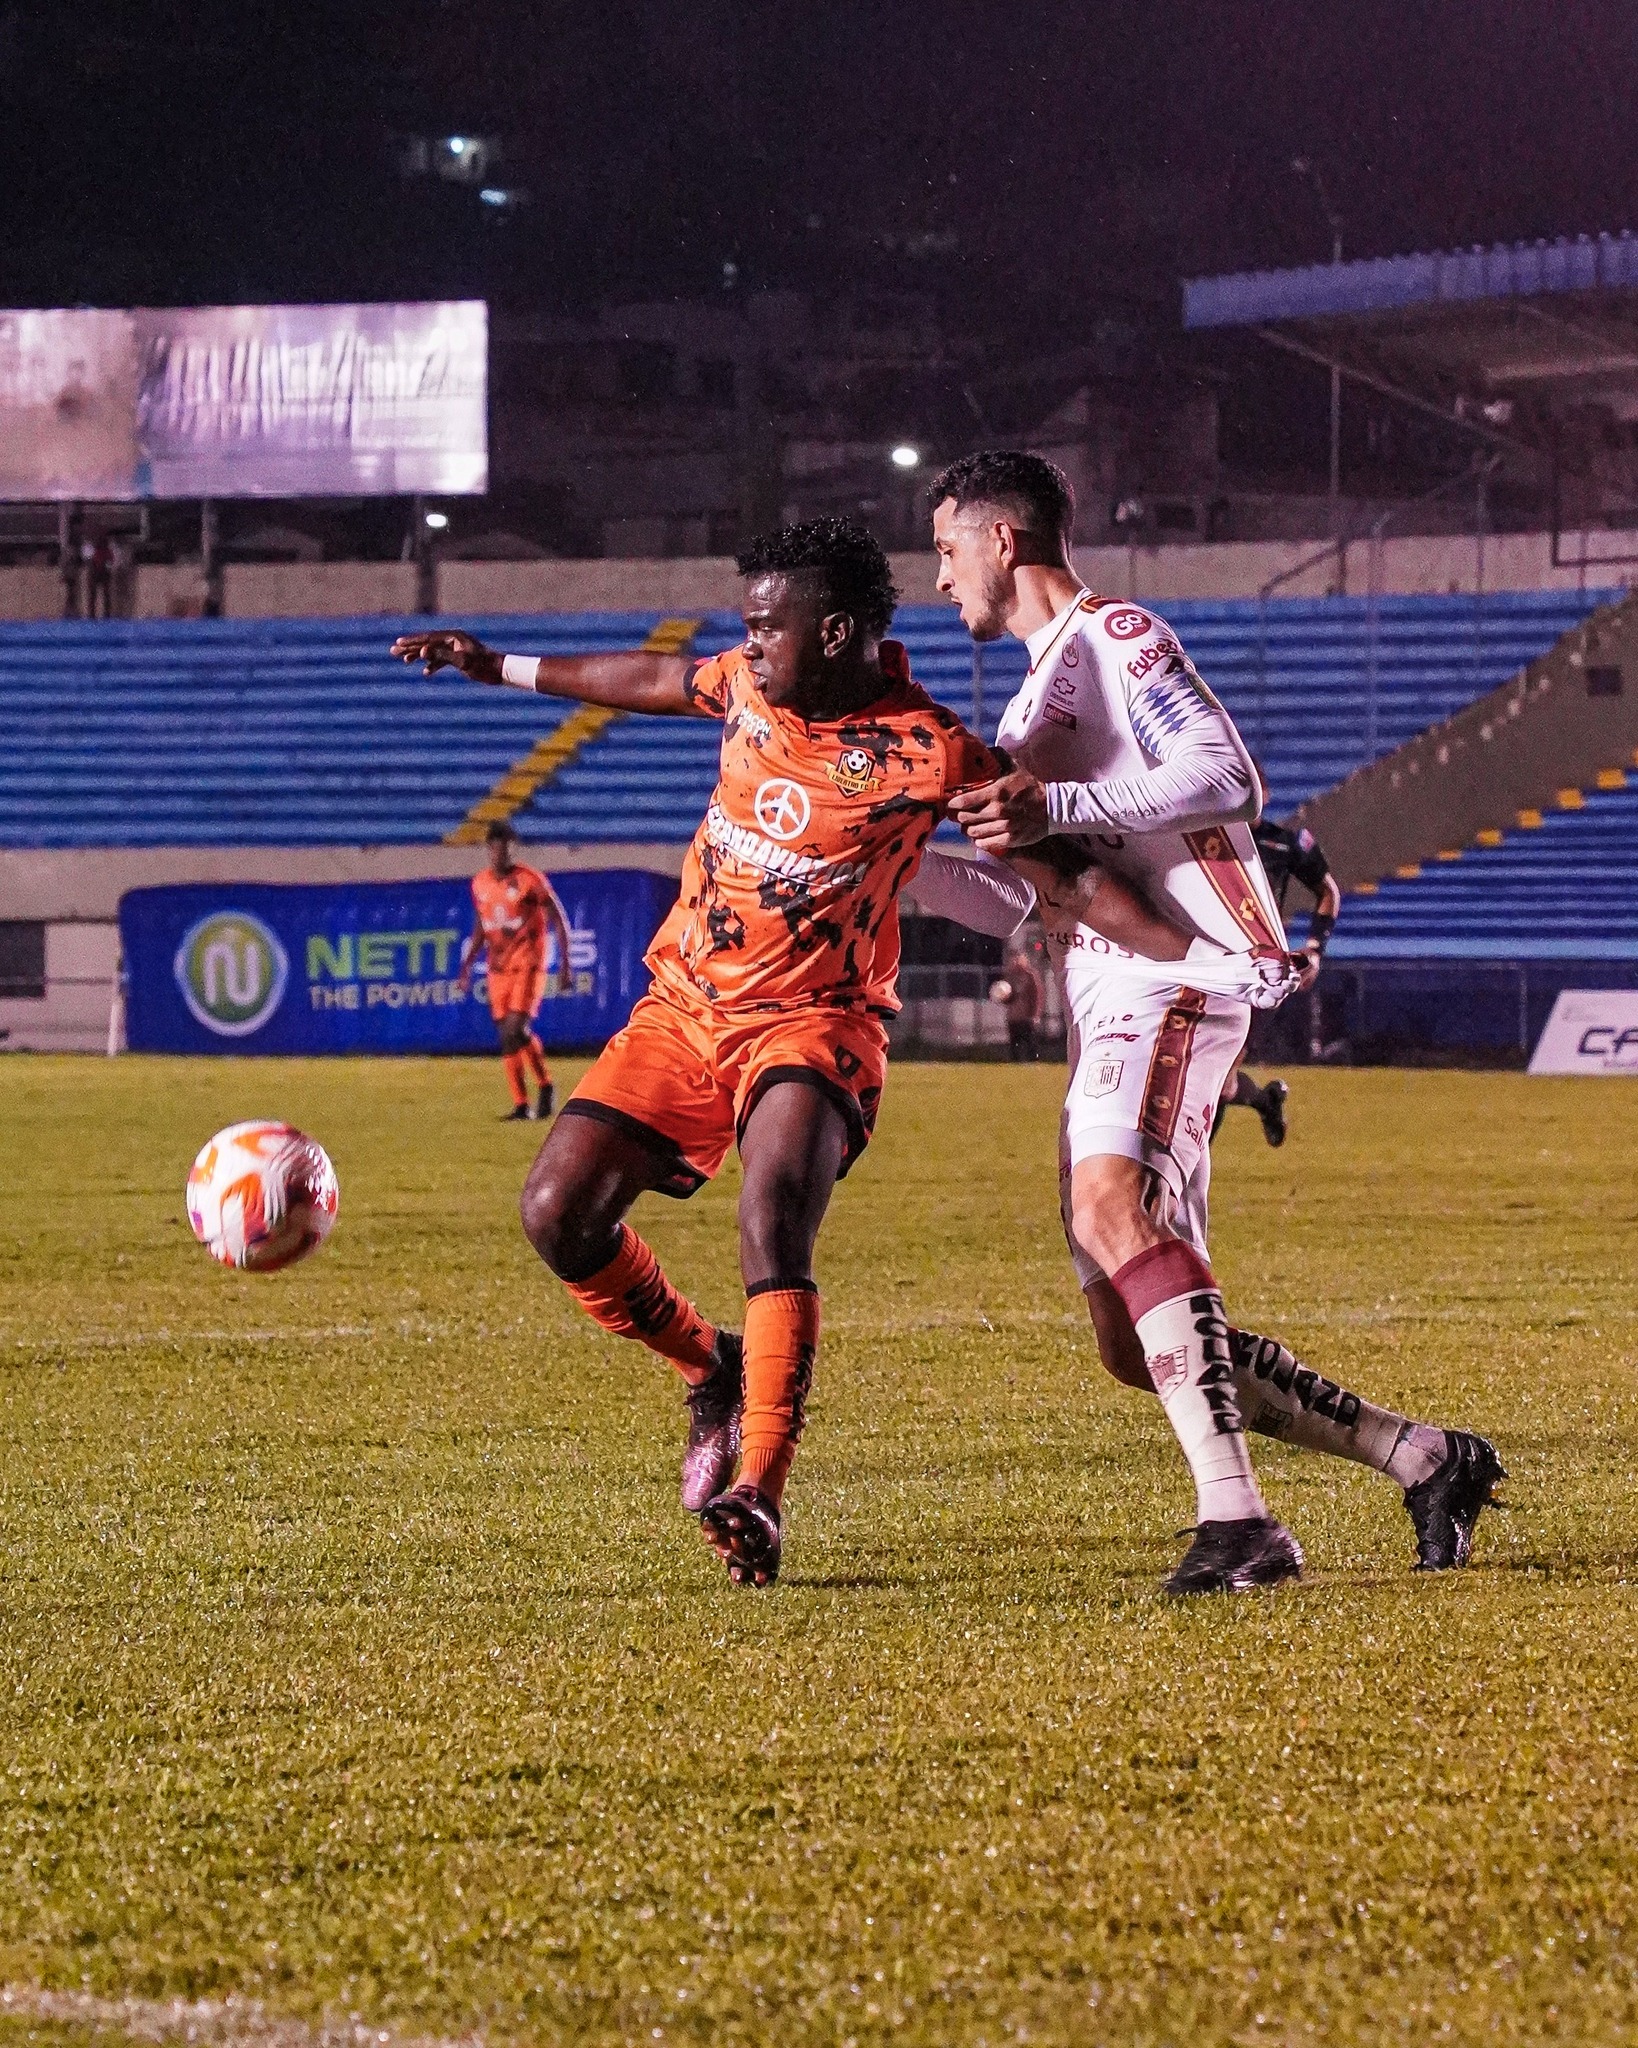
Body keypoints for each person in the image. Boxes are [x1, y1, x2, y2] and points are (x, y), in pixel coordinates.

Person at [392, 517, 1193, 1588]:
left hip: (817, 1021)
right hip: (683, 1011)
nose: (751, 644)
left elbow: (1066, 874)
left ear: (838, 632)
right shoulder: (749, 687)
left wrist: (1198, 953)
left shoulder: (928, 750)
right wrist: (498, 665)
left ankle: (758, 1491)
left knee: (771, 1213)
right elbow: (658, 677)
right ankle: (709, 1366)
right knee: (556, 1214)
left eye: (769, 627)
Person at [922, 449, 1503, 1592]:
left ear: (1002, 538)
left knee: (1112, 1206)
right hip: (1105, 987)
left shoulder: (1117, 634)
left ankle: (1240, 1521)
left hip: (1179, 971)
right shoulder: (1031, 699)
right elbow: (1023, 899)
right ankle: (1424, 1455)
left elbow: (1227, 775)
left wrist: (1055, 799)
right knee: (1129, 1339)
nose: (939, 578)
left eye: (946, 549)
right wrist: (887, 870)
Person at [1214, 766, 1344, 1145]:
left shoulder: (1285, 843)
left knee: (1215, 1077)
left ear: (1264, 795)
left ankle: (1185, 1173)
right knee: (1212, 1078)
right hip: (1206, 964)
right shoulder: (1205, 840)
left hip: (1256, 972)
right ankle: (1265, 1100)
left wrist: (1315, 949)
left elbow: (1328, 892)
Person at [457, 820, 573, 1121]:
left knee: (516, 1029)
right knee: (506, 1036)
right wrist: (467, 964)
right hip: (497, 968)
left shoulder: (529, 880)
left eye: (507, 849)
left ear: (513, 849)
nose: (502, 854)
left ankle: (545, 1085)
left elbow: (558, 918)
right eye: (497, 849)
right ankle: (522, 1104)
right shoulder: (480, 883)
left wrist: (565, 963)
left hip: (528, 963)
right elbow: (482, 925)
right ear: (489, 849)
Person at [992, 944, 1043, 1060]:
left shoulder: (1029, 975)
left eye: (1017, 958)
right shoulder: (1009, 976)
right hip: (1013, 1015)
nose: (1014, 961)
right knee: (1014, 1042)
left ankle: (1033, 1061)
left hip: (1026, 1015)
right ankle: (1015, 1061)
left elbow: (1036, 996)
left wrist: (1036, 1014)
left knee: (1030, 1041)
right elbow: (1007, 997)